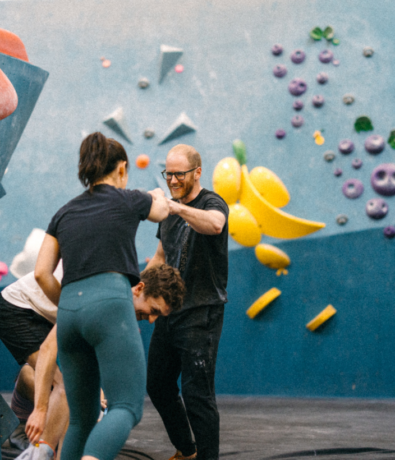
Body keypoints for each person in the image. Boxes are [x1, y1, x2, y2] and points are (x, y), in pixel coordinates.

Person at [34, 132, 173, 460]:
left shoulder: (64, 213)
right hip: (110, 303)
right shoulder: (128, 199)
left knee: (81, 418)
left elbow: (41, 272)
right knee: (125, 406)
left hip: (69, 311)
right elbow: (163, 211)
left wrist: (71, 305)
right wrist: (155, 194)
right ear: (122, 168)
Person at [21, 264, 186, 460]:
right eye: (153, 310)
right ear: (139, 288)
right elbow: (48, 349)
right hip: (18, 308)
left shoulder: (118, 307)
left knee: (85, 407)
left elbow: (92, 362)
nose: (151, 320)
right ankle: (40, 453)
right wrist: (39, 410)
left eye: (158, 315)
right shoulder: (105, 298)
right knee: (72, 395)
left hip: (55, 314)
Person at [146, 144, 229, 460]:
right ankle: (187, 449)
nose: (172, 180)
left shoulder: (212, 202)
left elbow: (215, 224)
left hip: (201, 312)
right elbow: (161, 256)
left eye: (179, 174)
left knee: (198, 395)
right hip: (169, 312)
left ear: (197, 172)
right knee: (157, 384)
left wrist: (176, 207)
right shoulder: (168, 212)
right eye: (168, 173)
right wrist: (138, 285)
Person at [0, 264, 69, 458]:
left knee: (63, 388)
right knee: (63, 389)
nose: (148, 319)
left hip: (37, 310)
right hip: (19, 308)